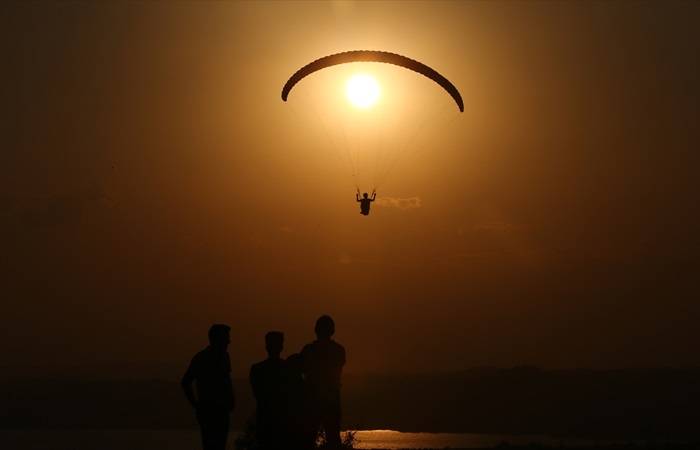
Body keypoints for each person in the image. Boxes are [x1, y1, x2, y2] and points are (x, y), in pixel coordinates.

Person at [182, 324, 235, 450]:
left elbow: (227, 379)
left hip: (222, 410)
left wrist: (231, 398)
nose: (229, 341)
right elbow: (185, 381)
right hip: (209, 411)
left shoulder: (225, 357)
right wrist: (196, 404)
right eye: (226, 338)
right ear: (217, 339)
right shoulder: (202, 358)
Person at [301, 315, 346, 449]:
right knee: (332, 439)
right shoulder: (338, 350)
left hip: (313, 399)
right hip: (331, 400)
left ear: (316, 330)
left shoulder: (308, 350)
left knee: (309, 439)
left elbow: (302, 370)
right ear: (332, 331)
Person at [250, 331, 288, 450]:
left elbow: (258, 395)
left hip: (265, 420)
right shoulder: (287, 368)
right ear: (281, 346)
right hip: (280, 422)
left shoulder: (257, 369)